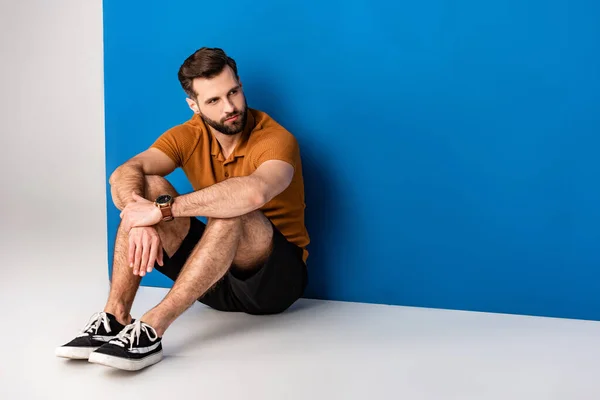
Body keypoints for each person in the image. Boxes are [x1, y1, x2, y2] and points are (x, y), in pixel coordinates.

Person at [55, 47, 310, 371]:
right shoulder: (189, 135)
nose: (230, 107)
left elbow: (254, 192)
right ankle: (114, 317)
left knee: (232, 206)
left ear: (241, 86)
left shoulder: (275, 138)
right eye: (214, 100)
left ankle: (152, 328)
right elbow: (125, 171)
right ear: (194, 105)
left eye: (233, 92)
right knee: (149, 184)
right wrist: (141, 216)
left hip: (275, 282)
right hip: (214, 277)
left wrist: (162, 212)